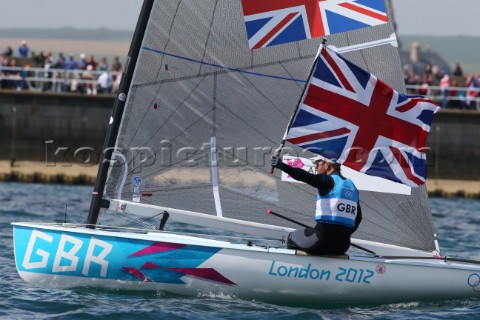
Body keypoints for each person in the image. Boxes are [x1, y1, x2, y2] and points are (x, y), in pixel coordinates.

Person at [271, 154, 362, 255]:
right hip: (342, 246)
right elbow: (358, 218)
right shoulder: (353, 187)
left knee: (292, 236)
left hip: (321, 243)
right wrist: (344, 234)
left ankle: (297, 268)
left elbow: (305, 176)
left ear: (327, 165)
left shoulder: (328, 181)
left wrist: (282, 166)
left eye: (318, 164)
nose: (315, 168)